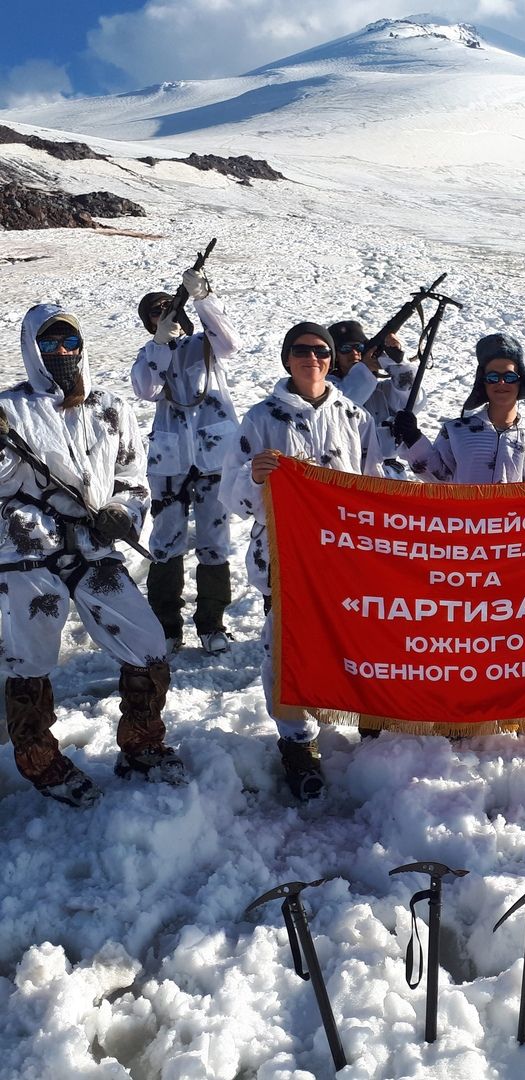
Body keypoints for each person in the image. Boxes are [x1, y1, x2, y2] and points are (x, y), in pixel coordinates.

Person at [0, 304, 183, 807]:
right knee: (29, 660)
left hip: (95, 549)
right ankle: (40, 762)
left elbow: (131, 476)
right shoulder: (9, 411)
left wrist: (124, 512)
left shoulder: (108, 406)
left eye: (71, 342)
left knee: (147, 644)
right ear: (32, 348)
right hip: (27, 552)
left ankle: (142, 745)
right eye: (51, 344)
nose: (63, 352)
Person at [219, 322, 383, 800]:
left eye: (321, 351)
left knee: (355, 640)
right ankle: (296, 742)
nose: (312, 358)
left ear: (332, 360)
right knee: (285, 650)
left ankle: (366, 716)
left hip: (346, 561)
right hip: (283, 561)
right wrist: (255, 477)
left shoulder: (356, 418)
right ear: (286, 358)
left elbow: (378, 484)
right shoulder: (260, 420)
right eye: (301, 350)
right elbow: (232, 497)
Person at [132, 265, 241, 655]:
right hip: (170, 460)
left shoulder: (206, 344)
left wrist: (203, 297)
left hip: (214, 457)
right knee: (166, 542)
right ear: (149, 324)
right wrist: (161, 345)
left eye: (168, 306)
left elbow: (231, 342)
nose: (165, 313)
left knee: (215, 542)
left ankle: (212, 623)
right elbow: (147, 389)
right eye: (155, 312)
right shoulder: (150, 353)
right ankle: (166, 625)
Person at [392, 333, 525, 483]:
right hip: (465, 515)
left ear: (521, 382)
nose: (501, 382)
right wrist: (413, 438)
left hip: (513, 515)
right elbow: (439, 478)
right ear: (482, 383)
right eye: (492, 377)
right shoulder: (456, 431)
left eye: (509, 376)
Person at [327, 319, 419, 480]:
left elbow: (412, 400)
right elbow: (344, 404)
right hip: (345, 473)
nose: (354, 353)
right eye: (346, 349)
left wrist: (395, 361)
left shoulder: (381, 390)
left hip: (389, 475)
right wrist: (366, 369)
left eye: (360, 347)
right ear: (335, 356)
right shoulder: (328, 387)